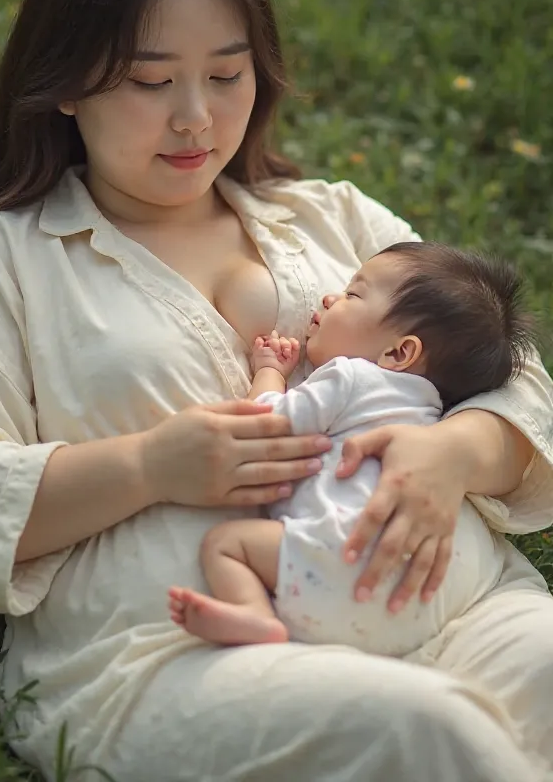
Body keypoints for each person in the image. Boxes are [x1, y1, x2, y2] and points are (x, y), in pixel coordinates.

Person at [0, 0, 553, 782]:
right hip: (178, 651)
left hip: (458, 610)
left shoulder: (329, 218)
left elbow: (515, 369)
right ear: (69, 81)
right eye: (153, 81)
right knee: (430, 734)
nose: (196, 116)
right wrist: (146, 466)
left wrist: (459, 451)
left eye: (227, 74)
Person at [169, 242, 535, 658]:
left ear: (399, 352)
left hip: (342, 564)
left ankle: (254, 614)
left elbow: (264, 426)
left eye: (352, 295)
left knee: (226, 543)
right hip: (427, 599)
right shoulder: (433, 412)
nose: (330, 298)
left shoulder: (350, 378)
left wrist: (269, 372)